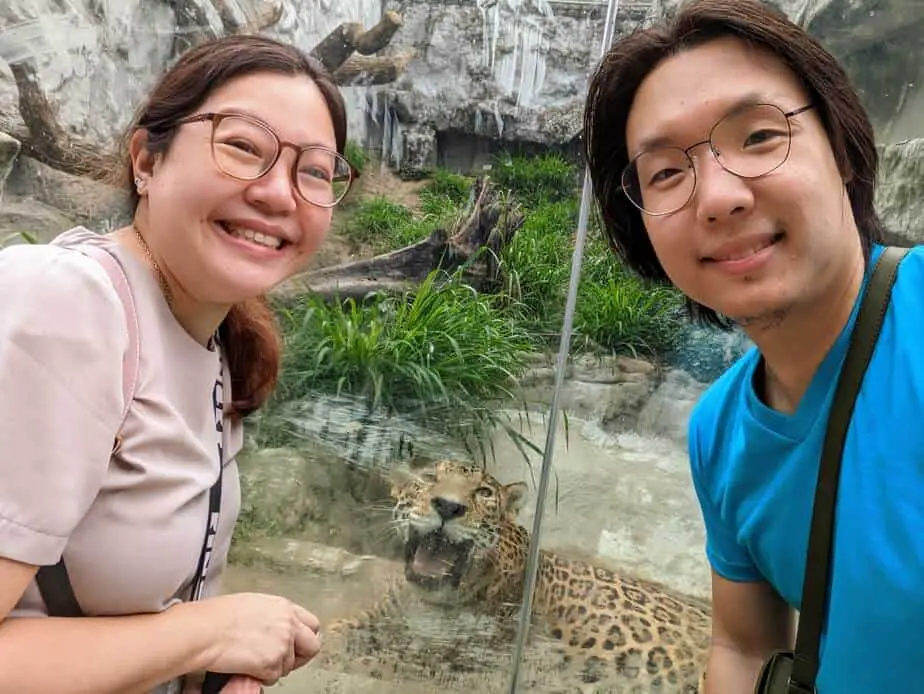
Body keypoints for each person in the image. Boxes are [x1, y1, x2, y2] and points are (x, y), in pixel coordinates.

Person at [582, 0, 924, 692]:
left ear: (844, 148)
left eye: (760, 136)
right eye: (667, 173)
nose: (718, 196)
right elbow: (742, 646)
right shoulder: (719, 431)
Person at [0, 33, 357, 693]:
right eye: (243, 146)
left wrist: (210, 671)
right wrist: (213, 633)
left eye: (315, 171)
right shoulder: (68, 303)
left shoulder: (214, 341)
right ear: (146, 160)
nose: (279, 193)